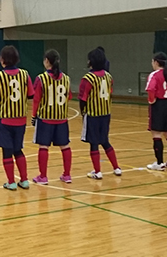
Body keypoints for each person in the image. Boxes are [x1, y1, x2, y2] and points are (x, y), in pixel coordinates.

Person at [0, 45, 34, 191]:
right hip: (20, 119)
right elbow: (31, 95)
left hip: (4, 119)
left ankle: (11, 182)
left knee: (7, 151)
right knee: (18, 149)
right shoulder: (25, 74)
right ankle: (24, 180)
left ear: (2, 60)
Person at [31, 49, 73, 184]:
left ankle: (43, 176)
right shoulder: (66, 78)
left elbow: (36, 99)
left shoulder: (41, 78)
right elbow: (69, 96)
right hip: (61, 118)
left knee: (43, 146)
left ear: (47, 61)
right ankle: (67, 175)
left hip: (45, 118)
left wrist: (33, 116)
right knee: (65, 146)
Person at [79, 47, 121, 179]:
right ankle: (116, 168)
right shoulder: (109, 77)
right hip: (106, 114)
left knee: (94, 143)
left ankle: (97, 171)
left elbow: (83, 98)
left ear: (91, 61)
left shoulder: (88, 78)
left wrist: (83, 113)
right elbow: (110, 93)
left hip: (93, 115)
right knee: (105, 141)